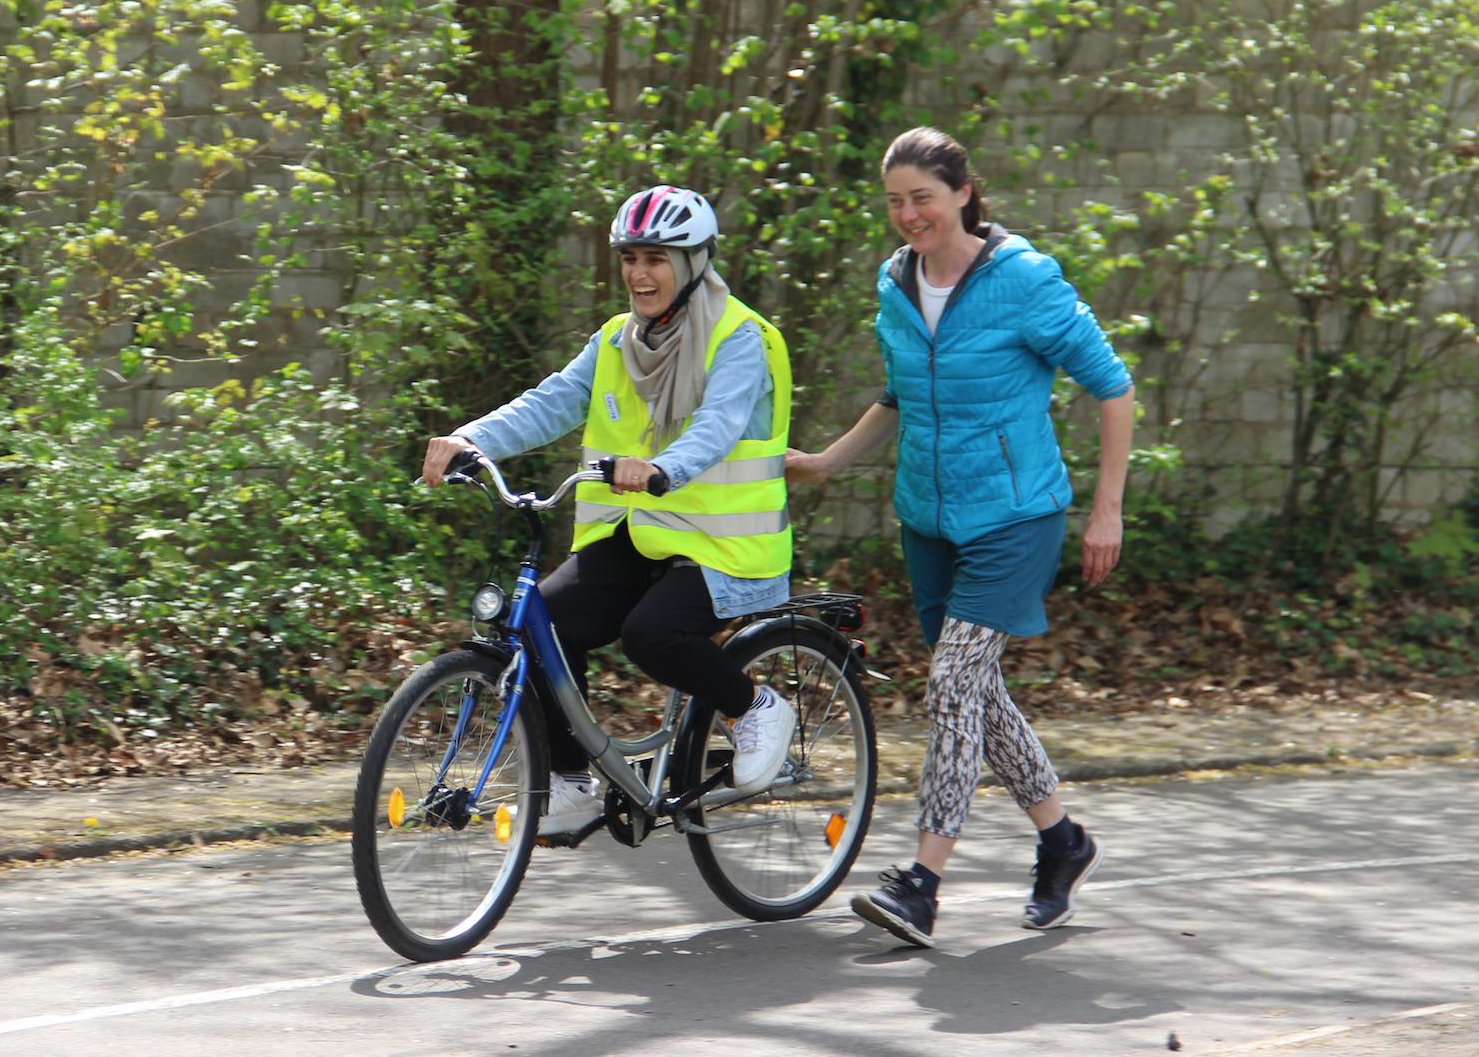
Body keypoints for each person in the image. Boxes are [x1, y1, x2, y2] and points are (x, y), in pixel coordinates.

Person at [787, 127, 1136, 947]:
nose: (909, 215)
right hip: (930, 521)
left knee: (949, 685)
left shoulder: (1024, 280)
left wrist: (1106, 509)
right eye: (896, 201)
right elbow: (901, 392)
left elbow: (1112, 389)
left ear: (964, 194)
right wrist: (828, 462)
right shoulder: (895, 280)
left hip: (1015, 517)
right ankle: (1063, 841)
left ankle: (921, 882)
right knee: (972, 692)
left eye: (925, 198)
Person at [420, 185, 798, 838]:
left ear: (694, 264)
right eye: (629, 257)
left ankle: (755, 705)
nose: (638, 272)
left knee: (651, 634)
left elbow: (718, 425)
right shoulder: (615, 341)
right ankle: (570, 783)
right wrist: (470, 438)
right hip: (638, 533)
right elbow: (551, 401)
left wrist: (662, 469)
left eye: (656, 258)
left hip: (725, 546)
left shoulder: (741, 339)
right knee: (542, 623)